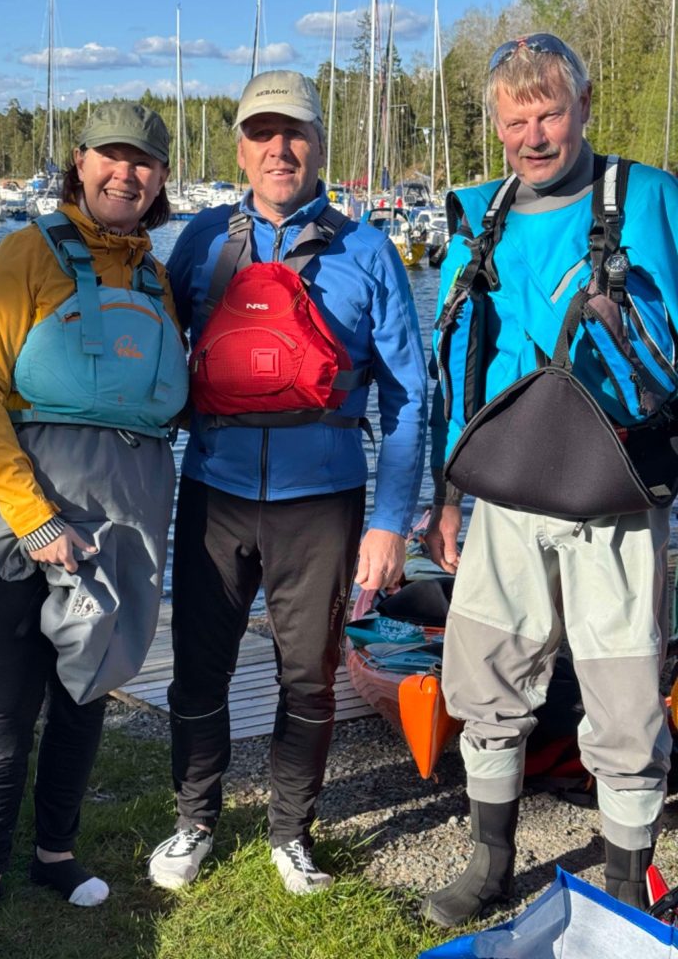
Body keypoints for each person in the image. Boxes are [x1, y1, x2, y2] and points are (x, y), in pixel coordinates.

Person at [147, 69, 427, 895]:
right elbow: (153, 361)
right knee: (200, 667)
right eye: (263, 134)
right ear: (240, 147)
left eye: (295, 132)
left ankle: (289, 830)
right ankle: (194, 820)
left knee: (310, 674)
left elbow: (411, 394)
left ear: (319, 144)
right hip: (215, 490)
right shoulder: (202, 240)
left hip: (324, 502)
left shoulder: (367, 248)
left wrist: (392, 520)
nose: (280, 149)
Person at [423, 34, 678, 926]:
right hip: (504, 492)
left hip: (617, 486)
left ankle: (622, 888)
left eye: (551, 113)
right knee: (487, 678)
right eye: (516, 119)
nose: (535, 136)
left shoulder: (649, 198)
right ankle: (490, 863)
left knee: (624, 694)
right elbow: (458, 359)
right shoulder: (478, 215)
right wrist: (445, 493)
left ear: (585, 107)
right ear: (498, 127)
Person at [0, 102, 186, 933]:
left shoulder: (156, 275)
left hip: (123, 515)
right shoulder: (24, 252)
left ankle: (54, 853)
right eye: (111, 157)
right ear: (80, 163)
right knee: (8, 697)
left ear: (160, 178)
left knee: (88, 687)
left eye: (143, 161)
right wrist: (33, 517)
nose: (127, 173)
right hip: (20, 514)